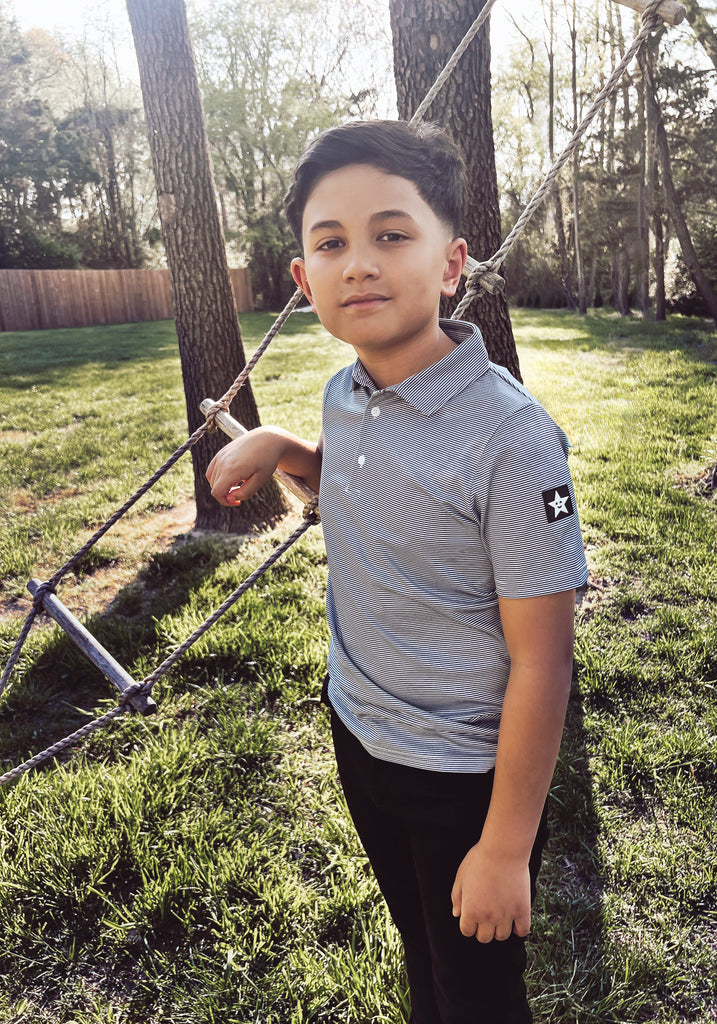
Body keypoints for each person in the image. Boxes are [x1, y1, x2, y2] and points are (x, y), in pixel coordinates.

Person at [206, 119, 588, 1024]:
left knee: (478, 994)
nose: (359, 263)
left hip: (462, 774)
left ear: (452, 264)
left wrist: (504, 847)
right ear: (302, 280)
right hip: (358, 726)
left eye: (391, 234)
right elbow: (362, 488)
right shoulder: (349, 390)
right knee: (422, 953)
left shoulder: (510, 439)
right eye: (330, 243)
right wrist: (284, 447)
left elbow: (544, 661)